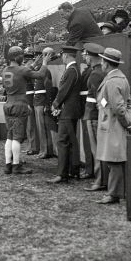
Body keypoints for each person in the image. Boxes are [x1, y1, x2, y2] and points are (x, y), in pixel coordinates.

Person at [94, 48, 131, 204]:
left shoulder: (112, 81)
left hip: (113, 125)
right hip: (113, 122)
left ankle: (114, 194)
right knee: (115, 159)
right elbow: (127, 103)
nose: (101, 64)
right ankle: (116, 192)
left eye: (103, 61)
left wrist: (126, 121)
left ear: (106, 63)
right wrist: (129, 118)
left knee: (114, 160)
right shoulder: (120, 78)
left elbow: (118, 107)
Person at [2, 46, 51, 175]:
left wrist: (34, 64)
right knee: (17, 138)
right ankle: (16, 166)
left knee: (10, 136)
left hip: (8, 104)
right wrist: (44, 63)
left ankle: (8, 165)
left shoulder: (5, 70)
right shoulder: (22, 70)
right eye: (22, 55)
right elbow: (40, 75)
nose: (23, 57)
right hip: (20, 105)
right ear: (18, 57)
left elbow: (21, 72)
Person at [47, 45, 81, 184]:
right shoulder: (74, 69)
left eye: (62, 55)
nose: (61, 57)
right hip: (71, 110)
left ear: (66, 55)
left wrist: (55, 104)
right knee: (71, 141)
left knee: (62, 141)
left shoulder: (71, 71)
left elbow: (63, 91)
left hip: (67, 111)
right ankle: (73, 171)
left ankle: (62, 174)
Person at [81, 43, 108, 191]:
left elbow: (100, 98)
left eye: (85, 55)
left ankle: (100, 181)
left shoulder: (95, 74)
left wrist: (102, 107)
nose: (85, 57)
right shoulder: (101, 72)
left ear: (91, 57)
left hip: (93, 114)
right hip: (97, 114)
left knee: (96, 149)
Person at [32, 47, 54, 159]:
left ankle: (46, 151)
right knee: (40, 127)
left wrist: (48, 104)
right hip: (37, 101)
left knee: (43, 127)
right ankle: (43, 149)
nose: (39, 58)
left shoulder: (46, 71)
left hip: (42, 101)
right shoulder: (39, 70)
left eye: (42, 56)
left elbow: (48, 89)